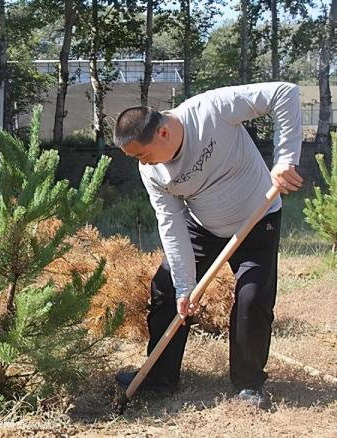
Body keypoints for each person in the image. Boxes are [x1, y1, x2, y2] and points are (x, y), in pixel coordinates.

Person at [112, 82, 303, 408]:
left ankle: (248, 384)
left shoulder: (212, 109)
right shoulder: (154, 174)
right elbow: (171, 224)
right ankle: (158, 377)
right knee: (167, 288)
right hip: (203, 227)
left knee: (252, 298)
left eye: (143, 155)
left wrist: (286, 159)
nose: (143, 164)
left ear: (162, 134)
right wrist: (186, 286)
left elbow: (284, 93)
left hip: (258, 220)